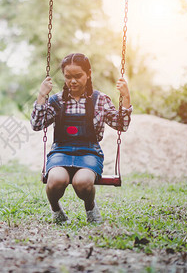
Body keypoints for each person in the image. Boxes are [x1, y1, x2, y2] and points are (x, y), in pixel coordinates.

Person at [30, 53, 132, 224]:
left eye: (78, 76)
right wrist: (42, 96)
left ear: (88, 74)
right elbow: (37, 124)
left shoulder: (100, 100)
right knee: (55, 180)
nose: (73, 81)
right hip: (61, 152)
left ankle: (90, 207)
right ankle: (56, 210)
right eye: (68, 77)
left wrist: (126, 97)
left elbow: (121, 124)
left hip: (89, 152)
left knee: (82, 183)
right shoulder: (57, 101)